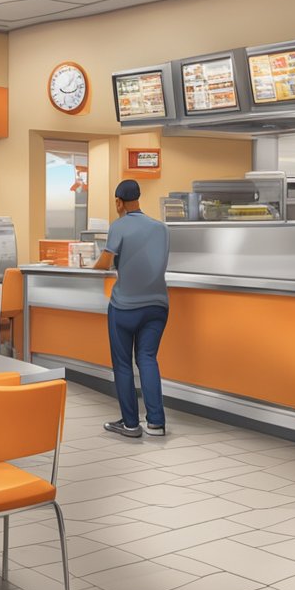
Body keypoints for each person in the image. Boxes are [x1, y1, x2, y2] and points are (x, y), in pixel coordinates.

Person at [94, 180, 170, 439]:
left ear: (118, 202)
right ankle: (156, 424)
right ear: (139, 198)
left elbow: (104, 264)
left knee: (123, 364)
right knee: (148, 359)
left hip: (125, 307)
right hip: (158, 305)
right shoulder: (161, 228)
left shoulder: (119, 226)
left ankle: (129, 424)